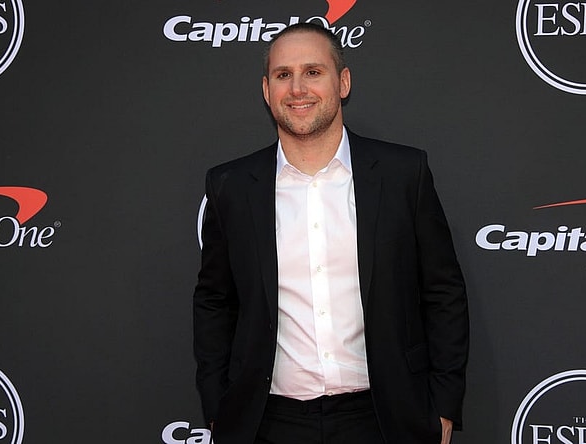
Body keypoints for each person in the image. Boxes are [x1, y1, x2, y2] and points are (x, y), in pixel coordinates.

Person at [193, 23, 469, 444]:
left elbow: (443, 291)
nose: (298, 88)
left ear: (343, 82)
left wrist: (444, 408)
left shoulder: (402, 174)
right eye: (283, 75)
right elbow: (215, 300)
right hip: (267, 422)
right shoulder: (231, 185)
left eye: (313, 72)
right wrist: (218, 407)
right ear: (267, 90)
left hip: (385, 417)